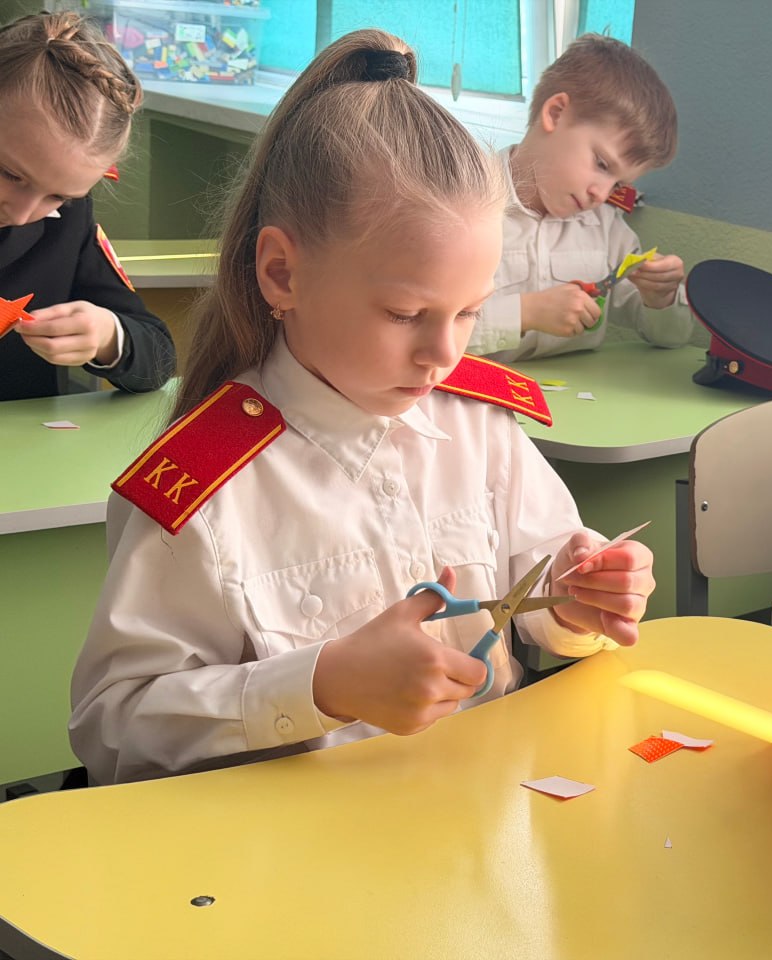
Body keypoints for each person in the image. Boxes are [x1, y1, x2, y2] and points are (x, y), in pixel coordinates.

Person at [69, 30, 656, 785]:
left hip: (475, 823)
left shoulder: (479, 426)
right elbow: (113, 726)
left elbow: (543, 600)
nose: (443, 354)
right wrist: (321, 687)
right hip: (289, 845)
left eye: (470, 312)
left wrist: (580, 602)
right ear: (282, 274)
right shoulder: (206, 481)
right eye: (405, 314)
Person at [467, 34, 693, 362]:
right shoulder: (461, 206)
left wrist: (661, 298)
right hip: (470, 390)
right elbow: (420, 330)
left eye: (618, 185)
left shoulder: (605, 229)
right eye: (601, 164)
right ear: (556, 113)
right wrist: (526, 313)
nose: (601, 194)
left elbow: (671, 338)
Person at [0, 12, 175, 401]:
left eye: (58, 196)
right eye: (10, 174)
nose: (22, 214)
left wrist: (107, 335)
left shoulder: (68, 222)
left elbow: (158, 356)